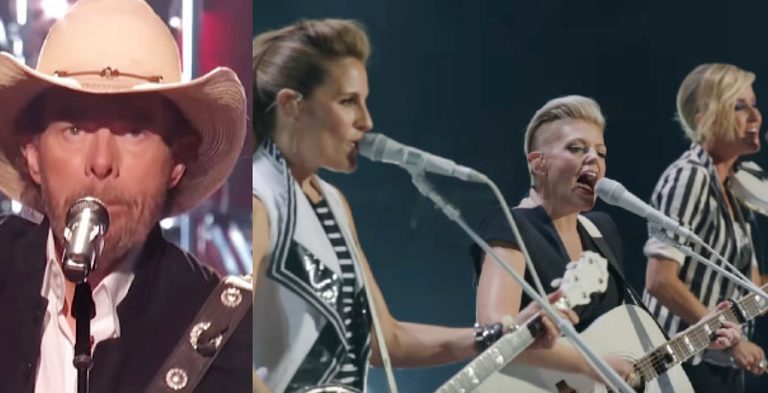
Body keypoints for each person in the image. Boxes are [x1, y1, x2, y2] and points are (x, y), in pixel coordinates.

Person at [252, 19, 568, 393]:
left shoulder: (333, 202)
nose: (366, 121)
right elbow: (227, 354)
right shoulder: (259, 198)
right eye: (348, 101)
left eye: (365, 102)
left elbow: (388, 339)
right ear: (292, 105)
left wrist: (501, 334)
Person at [0, 0, 250, 392]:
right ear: (32, 154)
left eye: (134, 131)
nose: (101, 163)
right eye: (75, 129)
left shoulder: (226, 336)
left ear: (176, 162)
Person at [472, 95, 741, 384]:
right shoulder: (511, 225)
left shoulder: (602, 230)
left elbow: (621, 352)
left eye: (600, 152)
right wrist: (592, 365)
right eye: (576, 148)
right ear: (538, 163)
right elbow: (495, 338)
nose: (593, 159)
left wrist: (698, 336)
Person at [643, 63, 766, 393]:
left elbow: (753, 288)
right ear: (704, 119)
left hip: (718, 370)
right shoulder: (689, 177)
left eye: (754, 104)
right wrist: (730, 342)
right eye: (739, 106)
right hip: (679, 366)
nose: (755, 116)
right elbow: (659, 280)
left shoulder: (738, 188)